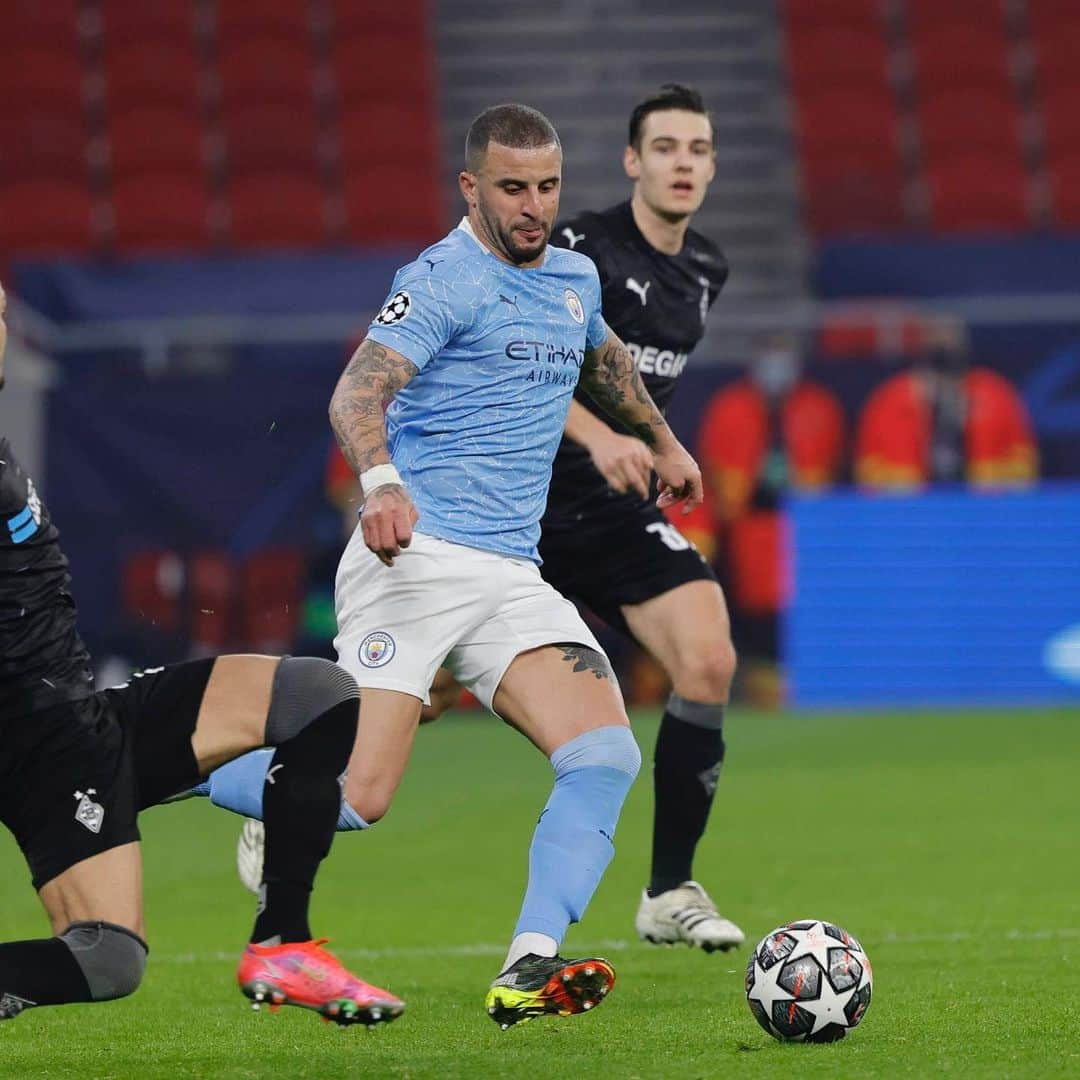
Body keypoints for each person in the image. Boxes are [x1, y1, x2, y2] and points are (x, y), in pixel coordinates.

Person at [200, 102, 704, 1029]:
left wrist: (663, 439)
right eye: (513, 188)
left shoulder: (573, 275)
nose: (533, 207)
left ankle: (528, 965)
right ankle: (170, 753)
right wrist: (382, 483)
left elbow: (601, 356)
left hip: (512, 574)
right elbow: (358, 389)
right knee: (358, 797)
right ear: (471, 186)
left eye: (547, 187)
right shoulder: (440, 279)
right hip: (417, 559)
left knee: (603, 755)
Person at [0, 281, 403, 1028]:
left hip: (80, 717)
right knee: (104, 958)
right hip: (37, 738)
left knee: (318, 695)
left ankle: (282, 942)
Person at [406, 84, 745, 952]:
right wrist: (599, 435)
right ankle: (297, 779)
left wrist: (654, 446)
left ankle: (669, 890)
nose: (682, 163)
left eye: (697, 149)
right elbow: (526, 353)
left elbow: (632, 382)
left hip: (610, 514)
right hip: (513, 504)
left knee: (707, 657)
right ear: (632, 161)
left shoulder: (706, 270)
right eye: (664, 147)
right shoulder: (578, 245)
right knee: (424, 697)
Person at [697, 332, 846, 704]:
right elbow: (715, 468)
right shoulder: (730, 407)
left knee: (800, 610)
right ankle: (760, 687)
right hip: (746, 526)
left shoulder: (818, 406)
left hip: (805, 529)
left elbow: (831, 463)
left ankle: (801, 685)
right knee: (752, 613)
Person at [855, 316, 1038, 490]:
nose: (943, 340)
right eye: (935, 334)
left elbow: (1024, 461)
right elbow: (866, 468)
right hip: (911, 510)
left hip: (983, 506)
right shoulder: (890, 398)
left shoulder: (995, 393)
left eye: (950, 334)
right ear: (922, 342)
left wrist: (992, 484)